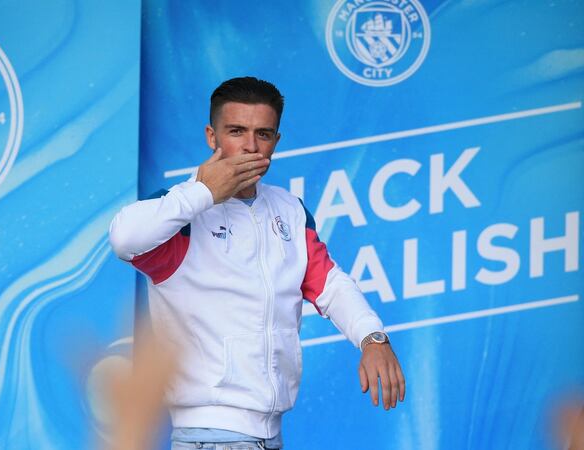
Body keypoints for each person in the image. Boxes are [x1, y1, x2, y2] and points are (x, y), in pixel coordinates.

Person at [109, 76, 405, 449]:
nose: (250, 146)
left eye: (263, 134)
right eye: (236, 131)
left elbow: (330, 284)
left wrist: (372, 337)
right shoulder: (178, 212)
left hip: (268, 435)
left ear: (276, 141)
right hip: (209, 437)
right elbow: (124, 238)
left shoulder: (289, 209)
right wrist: (203, 191)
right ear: (211, 136)